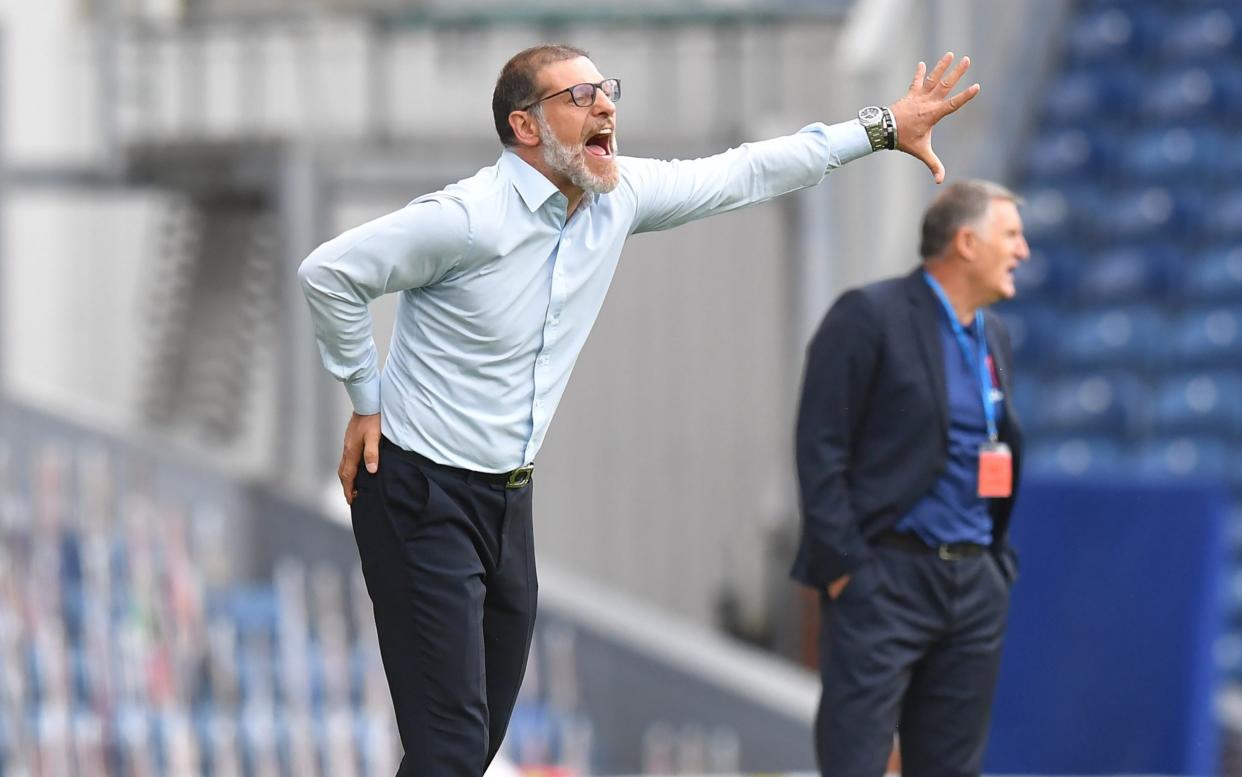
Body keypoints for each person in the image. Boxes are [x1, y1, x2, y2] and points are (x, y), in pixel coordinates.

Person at [298, 42, 980, 777]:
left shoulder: (615, 197)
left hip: (505, 501)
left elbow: (746, 171)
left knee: (472, 741)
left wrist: (880, 127)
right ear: (526, 128)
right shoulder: (467, 218)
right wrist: (364, 398)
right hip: (414, 491)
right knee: (452, 748)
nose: (606, 107)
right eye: (581, 98)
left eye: (606, 91)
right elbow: (329, 273)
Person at [791, 179, 1029, 777]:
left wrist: (994, 568)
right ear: (967, 243)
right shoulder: (870, 315)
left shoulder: (992, 335)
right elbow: (820, 447)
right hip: (885, 580)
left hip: (974, 585)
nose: (1022, 251)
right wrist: (845, 570)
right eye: (1012, 235)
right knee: (856, 762)